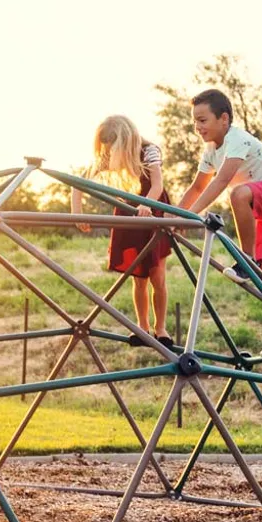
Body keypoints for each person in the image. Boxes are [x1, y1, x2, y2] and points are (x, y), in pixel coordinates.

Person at [178, 88, 262, 355]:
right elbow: (196, 187)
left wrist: (192, 215)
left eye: (203, 120)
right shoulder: (210, 150)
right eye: (194, 121)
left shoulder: (236, 139)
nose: (197, 127)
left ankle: (245, 259)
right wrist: (171, 215)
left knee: (238, 194)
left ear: (223, 119)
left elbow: (222, 180)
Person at [71, 115, 174, 349]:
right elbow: (78, 183)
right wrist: (77, 213)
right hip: (129, 210)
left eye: (112, 147)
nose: (109, 153)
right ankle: (142, 327)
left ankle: (161, 329)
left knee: (157, 275)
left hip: (153, 207)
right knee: (138, 276)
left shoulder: (149, 151)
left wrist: (147, 205)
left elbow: (157, 184)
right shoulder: (109, 156)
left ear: (125, 141)